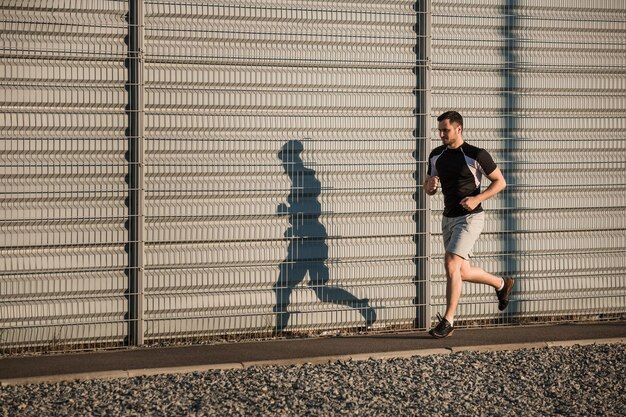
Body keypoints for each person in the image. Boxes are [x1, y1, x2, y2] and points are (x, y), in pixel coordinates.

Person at [424, 111, 514, 338]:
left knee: (451, 264)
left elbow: (500, 182)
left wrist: (477, 198)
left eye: (446, 130)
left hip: (471, 217)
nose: (442, 134)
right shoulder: (436, 155)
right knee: (461, 271)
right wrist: (431, 186)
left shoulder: (475, 154)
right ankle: (501, 284)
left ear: (458, 129)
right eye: (440, 130)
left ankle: (448, 320)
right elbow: (428, 187)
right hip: (448, 218)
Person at [274, 140, 376, 332]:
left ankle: (361, 306)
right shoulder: (299, 181)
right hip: (304, 240)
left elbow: (311, 209)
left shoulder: (306, 180)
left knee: (297, 287)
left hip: (311, 241)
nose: (284, 167)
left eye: (286, 162)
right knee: (292, 286)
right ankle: (279, 327)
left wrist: (293, 217)